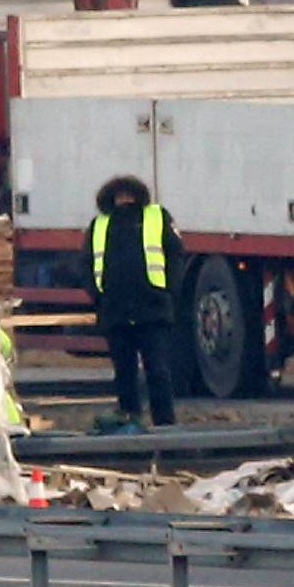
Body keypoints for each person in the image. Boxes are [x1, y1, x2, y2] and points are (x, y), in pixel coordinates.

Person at [84, 174, 181, 431]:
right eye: (120, 196)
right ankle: (130, 422)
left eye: (129, 196)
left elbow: (176, 256)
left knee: (158, 370)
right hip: (115, 311)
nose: (125, 201)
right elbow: (86, 265)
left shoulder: (157, 217)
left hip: (152, 309)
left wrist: (168, 292)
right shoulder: (99, 225)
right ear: (111, 199)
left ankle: (165, 424)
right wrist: (98, 297)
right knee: (124, 374)